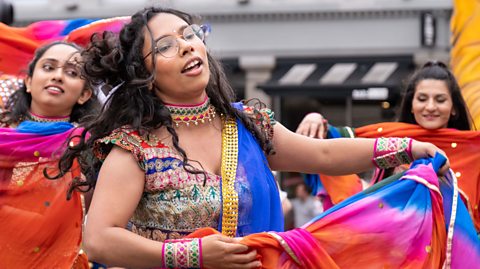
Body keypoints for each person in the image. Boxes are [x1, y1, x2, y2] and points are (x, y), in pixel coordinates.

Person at [54, 7, 447, 269]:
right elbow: (100, 238)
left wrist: (407, 148)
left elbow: (324, 154)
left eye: (189, 34)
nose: (189, 45)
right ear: (145, 72)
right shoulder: (134, 146)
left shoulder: (245, 124)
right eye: (167, 45)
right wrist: (190, 254)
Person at [297, 61, 480, 231]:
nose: (430, 107)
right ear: (411, 105)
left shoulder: (474, 150)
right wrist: (314, 118)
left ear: (454, 107)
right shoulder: (390, 136)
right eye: (422, 99)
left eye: (440, 100)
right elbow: (333, 142)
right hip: (396, 255)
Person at [0, 41, 98, 268]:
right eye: (48, 67)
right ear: (28, 81)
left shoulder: (91, 147)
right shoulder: (4, 141)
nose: (58, 76)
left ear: (84, 94)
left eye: (72, 72)